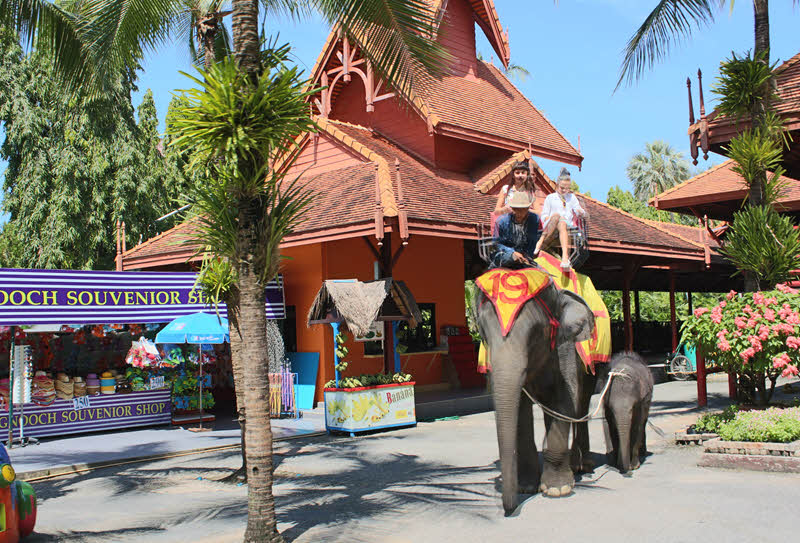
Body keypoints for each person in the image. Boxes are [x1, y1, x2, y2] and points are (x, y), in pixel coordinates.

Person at [534, 167, 586, 271]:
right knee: (558, 216)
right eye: (562, 187)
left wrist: (581, 212)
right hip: (551, 225)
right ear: (557, 185)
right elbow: (544, 216)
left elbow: (579, 210)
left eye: (566, 188)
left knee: (562, 221)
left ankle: (565, 258)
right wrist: (553, 218)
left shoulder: (572, 198)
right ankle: (543, 243)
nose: (564, 190)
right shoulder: (550, 198)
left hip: (566, 226)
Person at [490, 190, 540, 269]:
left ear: (527, 209)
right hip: (504, 255)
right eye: (517, 209)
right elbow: (496, 243)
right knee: (511, 259)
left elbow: (532, 242)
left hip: (524, 256)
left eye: (522, 210)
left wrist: (527, 257)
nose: (519, 213)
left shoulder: (534, 219)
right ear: (513, 209)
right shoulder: (501, 221)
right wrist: (512, 253)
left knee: (542, 274)